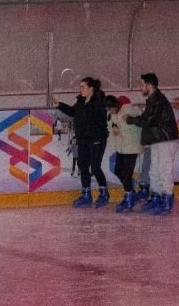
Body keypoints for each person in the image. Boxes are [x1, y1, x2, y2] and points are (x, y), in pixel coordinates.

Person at [127, 72, 178, 213]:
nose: (140, 87)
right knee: (154, 171)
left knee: (164, 171)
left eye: (142, 84)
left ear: (149, 85)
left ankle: (167, 200)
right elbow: (146, 118)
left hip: (165, 140)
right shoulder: (152, 100)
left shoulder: (158, 100)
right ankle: (156, 197)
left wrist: (130, 120)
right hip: (157, 140)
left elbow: (148, 120)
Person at [57, 75, 110, 207]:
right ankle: (86, 194)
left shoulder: (98, 103)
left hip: (96, 140)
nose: (80, 89)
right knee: (83, 166)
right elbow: (73, 112)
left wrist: (95, 135)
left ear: (91, 88)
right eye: (80, 86)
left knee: (95, 166)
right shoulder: (81, 101)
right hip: (83, 140)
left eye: (83, 87)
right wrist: (59, 105)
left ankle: (104, 193)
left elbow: (100, 122)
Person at [109, 95, 144, 210]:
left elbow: (142, 120)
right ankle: (132, 193)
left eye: (110, 109)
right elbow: (114, 123)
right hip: (121, 147)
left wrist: (132, 119)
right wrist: (114, 126)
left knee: (126, 174)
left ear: (115, 105)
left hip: (132, 147)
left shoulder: (129, 109)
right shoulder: (114, 113)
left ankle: (129, 199)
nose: (110, 112)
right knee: (118, 170)